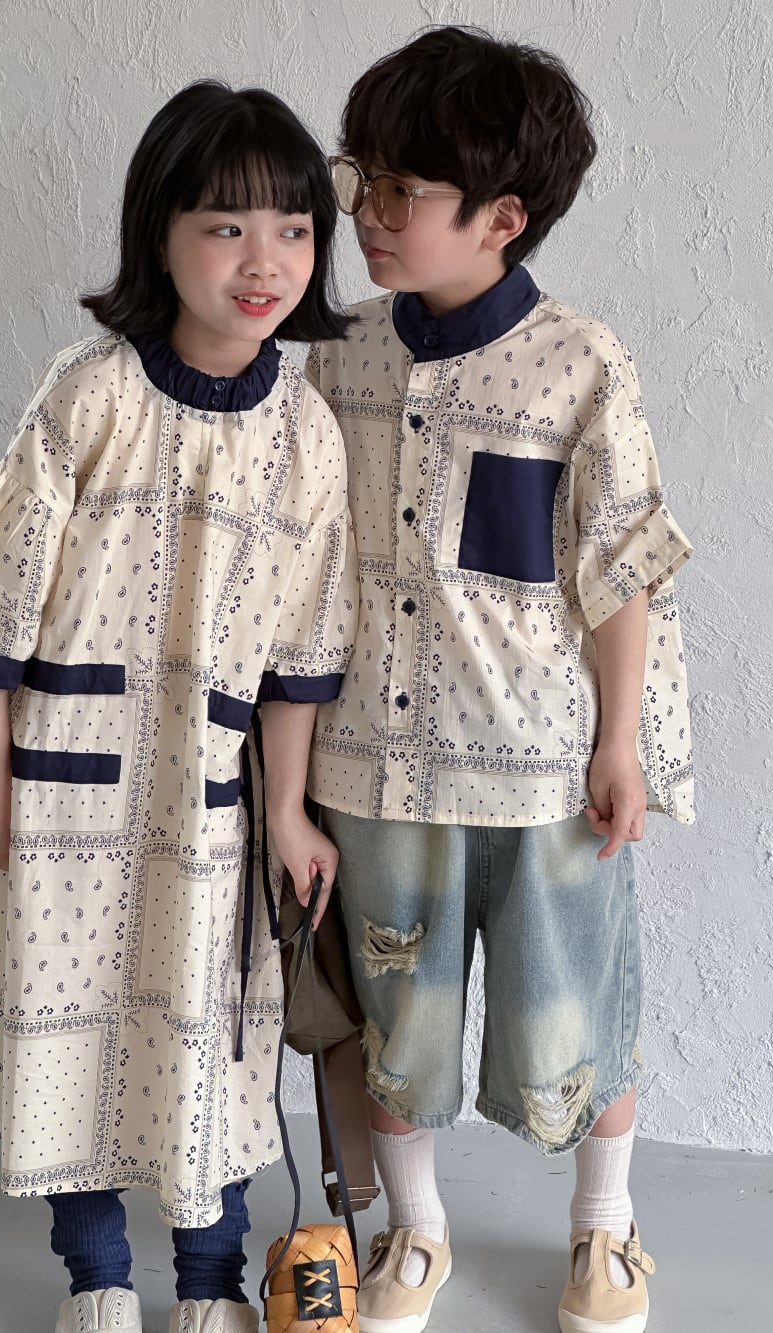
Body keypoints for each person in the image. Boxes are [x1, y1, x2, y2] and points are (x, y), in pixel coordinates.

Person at [0, 80, 357, 1333]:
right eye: (226, 226)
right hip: (59, 783)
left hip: (208, 800)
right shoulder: (91, 394)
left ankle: (210, 1283)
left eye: (291, 228)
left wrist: (288, 811)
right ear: (158, 234)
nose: (263, 259)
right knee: (67, 1030)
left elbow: (302, 649)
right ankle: (98, 1277)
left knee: (207, 1037)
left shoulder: (307, 434)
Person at [306, 26, 694, 1333]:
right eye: (360, 179)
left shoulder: (582, 365)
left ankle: (606, 1226)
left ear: (502, 217)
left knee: (574, 1008)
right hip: (376, 765)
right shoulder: (342, 357)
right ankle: (416, 1232)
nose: (366, 212)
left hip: (540, 770)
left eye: (399, 190)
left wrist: (619, 742)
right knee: (397, 1020)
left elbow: (622, 566)